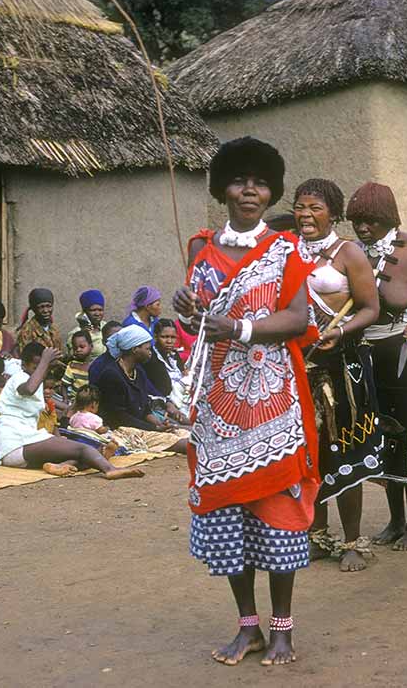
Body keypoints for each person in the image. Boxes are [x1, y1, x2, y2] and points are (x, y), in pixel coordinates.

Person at [173, 136, 319, 667]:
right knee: (227, 510)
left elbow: (299, 319)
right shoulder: (200, 247)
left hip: (271, 396)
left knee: (276, 509)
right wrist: (186, 308)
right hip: (217, 399)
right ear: (222, 189)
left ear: (271, 190)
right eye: (239, 181)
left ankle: (282, 628)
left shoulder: (286, 250)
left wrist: (238, 325)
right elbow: (193, 322)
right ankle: (248, 626)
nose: (249, 191)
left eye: (259, 183)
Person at [348, 181, 407, 552]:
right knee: (381, 434)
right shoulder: (352, 252)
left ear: (387, 217)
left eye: (370, 221)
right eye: (357, 221)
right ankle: (393, 519)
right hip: (364, 353)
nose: (362, 228)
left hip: (404, 351)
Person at [293, 178, 383, 573]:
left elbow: (369, 308)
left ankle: (353, 540)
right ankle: (317, 534)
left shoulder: (349, 254)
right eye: (300, 206)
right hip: (299, 364)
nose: (306, 215)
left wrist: (340, 330)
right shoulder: (284, 250)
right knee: (310, 454)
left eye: (315, 208)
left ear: (333, 212)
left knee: (343, 449)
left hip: (342, 366)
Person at [0, 342, 144, 479]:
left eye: (43, 367)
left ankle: (60, 465)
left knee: (91, 452)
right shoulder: (20, 377)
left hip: (25, 447)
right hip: (16, 446)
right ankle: (110, 469)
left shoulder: (35, 381)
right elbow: (29, 389)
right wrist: (44, 361)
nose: (41, 371)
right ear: (24, 365)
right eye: (36, 367)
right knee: (84, 448)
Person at [96, 326, 180, 432]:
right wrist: (155, 428)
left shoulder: (138, 372)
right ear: (134, 349)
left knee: (184, 433)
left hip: (141, 427)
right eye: (148, 349)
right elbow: (119, 417)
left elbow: (144, 409)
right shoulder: (112, 375)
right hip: (120, 430)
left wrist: (160, 424)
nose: (150, 353)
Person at [151, 318, 189, 420]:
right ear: (155, 336)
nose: (169, 341)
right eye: (164, 337)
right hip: (163, 404)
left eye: (173, 337)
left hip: (180, 398)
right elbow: (155, 389)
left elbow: (184, 375)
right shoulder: (151, 358)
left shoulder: (174, 355)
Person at [16, 288, 63, 354]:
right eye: (41, 307)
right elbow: (27, 359)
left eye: (48, 306)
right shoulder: (27, 331)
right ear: (34, 309)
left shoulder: (54, 328)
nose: (46, 310)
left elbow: (60, 352)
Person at [67, 289, 107, 360]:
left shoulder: (106, 327)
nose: (97, 314)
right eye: (93, 310)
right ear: (85, 312)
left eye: (100, 310)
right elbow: (74, 357)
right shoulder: (76, 334)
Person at [61, 330, 93, 400]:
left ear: (91, 346)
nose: (78, 350)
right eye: (75, 348)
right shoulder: (72, 366)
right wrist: (65, 399)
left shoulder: (96, 364)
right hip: (76, 402)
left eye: (82, 347)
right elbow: (64, 385)